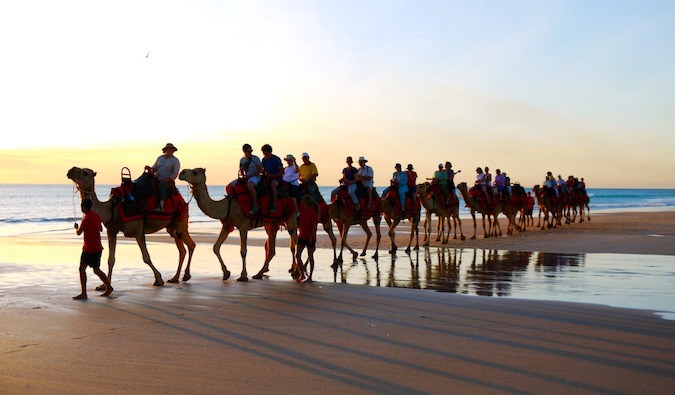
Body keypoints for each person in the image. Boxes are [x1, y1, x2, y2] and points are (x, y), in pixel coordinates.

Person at [73, 198, 112, 300]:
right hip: (97, 247)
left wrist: (76, 227)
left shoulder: (86, 219)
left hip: (88, 248)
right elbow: (100, 229)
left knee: (82, 269)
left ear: (84, 207)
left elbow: (79, 233)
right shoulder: (96, 216)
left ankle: (84, 293)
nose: (81, 208)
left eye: (82, 206)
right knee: (96, 269)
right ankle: (109, 287)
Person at [295, 195, 319, 282]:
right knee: (298, 255)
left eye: (302, 200)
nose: (301, 201)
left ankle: (310, 276)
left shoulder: (312, 212)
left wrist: (311, 236)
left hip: (310, 237)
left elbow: (314, 225)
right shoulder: (302, 211)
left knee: (310, 256)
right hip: (302, 236)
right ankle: (302, 275)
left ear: (306, 202)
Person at [151, 143, 180, 211]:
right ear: (165, 150)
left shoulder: (175, 160)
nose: (170, 150)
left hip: (167, 180)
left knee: (161, 185)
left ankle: (161, 205)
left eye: (172, 149)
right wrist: (150, 169)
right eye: (169, 149)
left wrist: (168, 179)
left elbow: (175, 173)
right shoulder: (160, 158)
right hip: (157, 178)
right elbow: (154, 168)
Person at [238, 143, 263, 215]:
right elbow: (241, 170)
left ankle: (255, 205)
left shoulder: (255, 158)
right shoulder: (242, 160)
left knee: (250, 185)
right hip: (247, 177)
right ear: (244, 151)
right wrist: (243, 174)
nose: (250, 153)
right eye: (248, 152)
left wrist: (251, 175)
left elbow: (260, 170)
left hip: (255, 176)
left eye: (251, 151)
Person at [261, 144, 283, 212]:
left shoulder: (276, 159)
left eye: (266, 153)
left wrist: (273, 176)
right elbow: (264, 169)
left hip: (277, 179)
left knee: (273, 185)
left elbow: (282, 172)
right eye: (264, 154)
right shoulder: (264, 160)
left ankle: (274, 204)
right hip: (267, 178)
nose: (265, 155)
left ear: (270, 152)